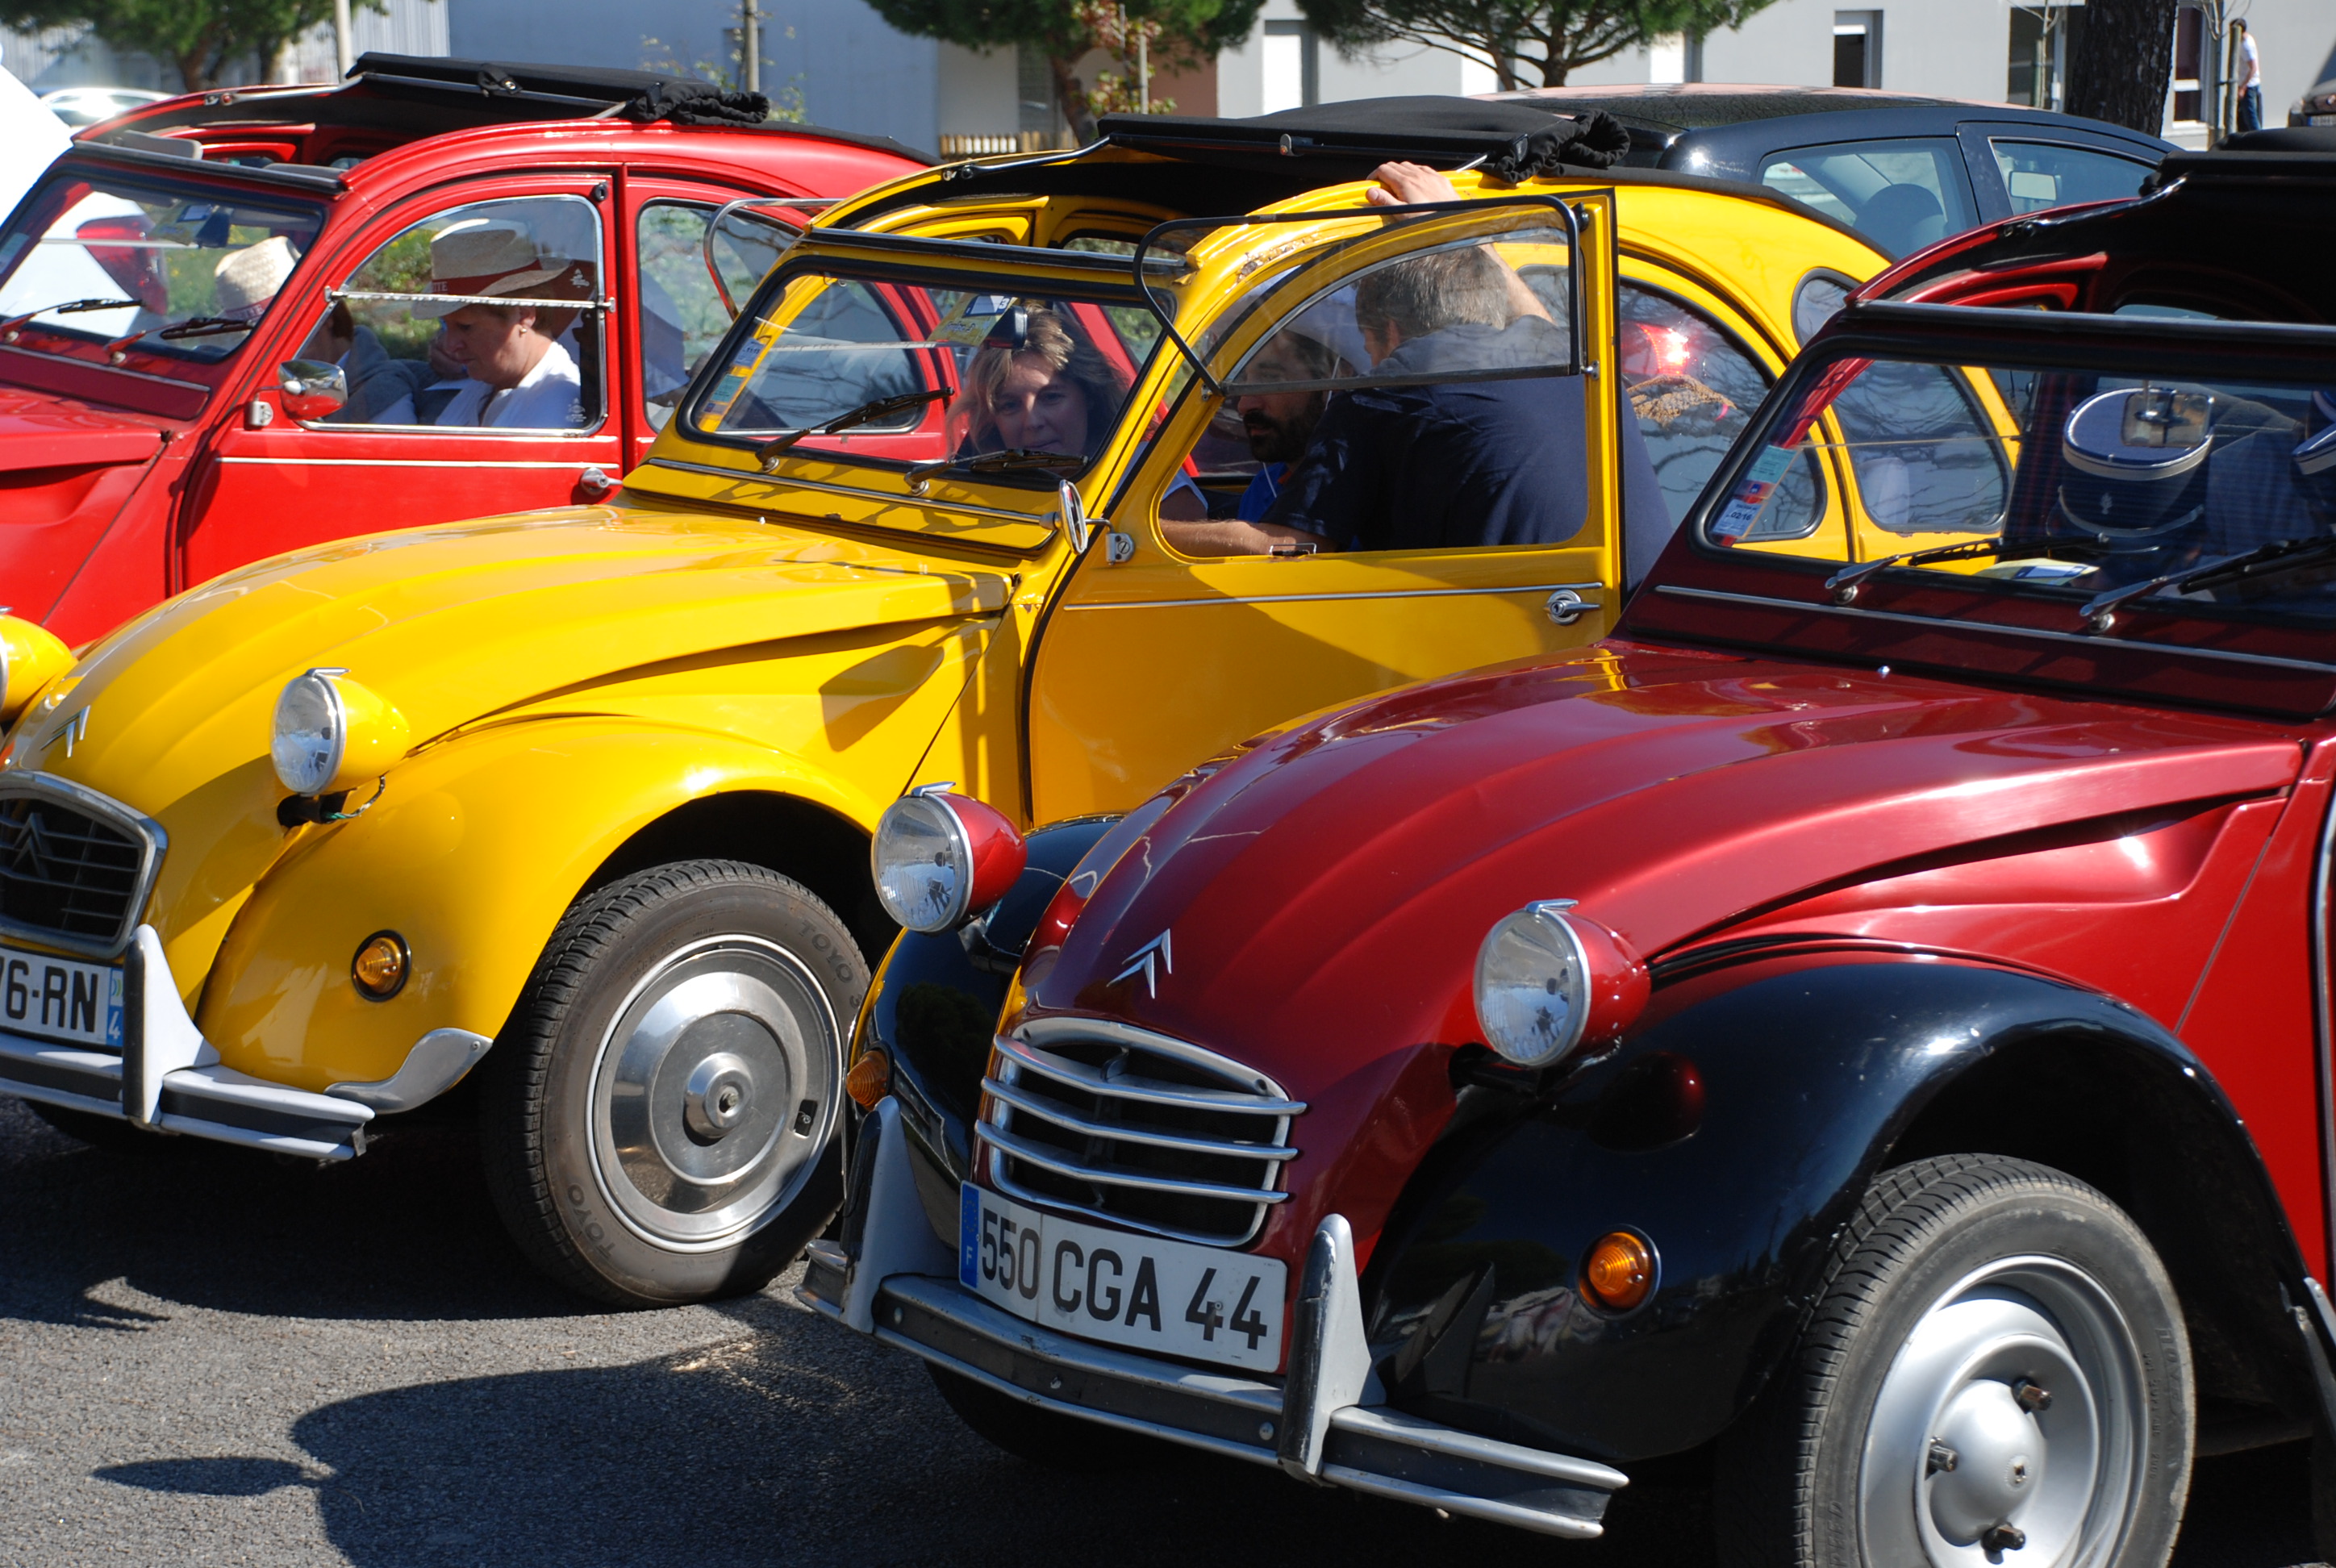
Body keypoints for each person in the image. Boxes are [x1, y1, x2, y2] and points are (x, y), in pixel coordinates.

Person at [391, 223, 585, 429]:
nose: (450, 346)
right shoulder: (489, 383)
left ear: (524, 314)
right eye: (446, 326)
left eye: (465, 327)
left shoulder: (555, 404)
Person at [954, 306, 1127, 459]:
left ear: (1089, 393)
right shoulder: (970, 487)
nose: (1032, 422)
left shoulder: (1142, 476)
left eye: (1051, 397)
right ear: (991, 420)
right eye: (1009, 406)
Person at [2235, 22, 2262, 135]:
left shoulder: (2246, 45)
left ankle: (2261, 141)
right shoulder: (2248, 39)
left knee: (2251, 118)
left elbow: (2253, 68)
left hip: (2249, 86)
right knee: (2245, 118)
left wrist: (2242, 88)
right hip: (2250, 85)